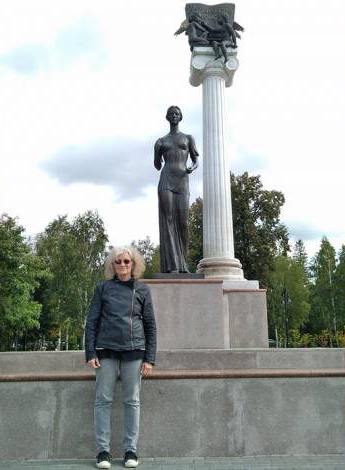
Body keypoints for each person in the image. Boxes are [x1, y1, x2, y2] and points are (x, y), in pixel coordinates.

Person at [84, 246, 157, 469]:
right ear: (112, 265)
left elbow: (150, 326)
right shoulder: (102, 289)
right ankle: (103, 452)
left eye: (127, 261)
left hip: (135, 353)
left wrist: (150, 359)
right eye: (119, 262)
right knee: (103, 400)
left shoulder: (142, 290)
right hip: (105, 351)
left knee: (132, 401)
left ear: (134, 264)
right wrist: (90, 352)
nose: (123, 265)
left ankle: (130, 451)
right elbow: (92, 322)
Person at [154, 106, 199, 273]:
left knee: (184, 223)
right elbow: (157, 165)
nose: (174, 116)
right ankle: (173, 265)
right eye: (171, 114)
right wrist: (157, 151)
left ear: (180, 117)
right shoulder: (162, 141)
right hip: (166, 181)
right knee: (169, 220)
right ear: (167, 117)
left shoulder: (188, 138)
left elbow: (195, 161)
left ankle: (183, 264)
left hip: (182, 181)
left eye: (177, 114)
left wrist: (192, 168)